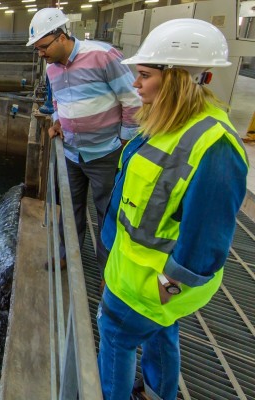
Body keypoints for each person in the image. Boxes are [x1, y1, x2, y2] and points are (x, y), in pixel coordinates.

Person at [98, 18, 249, 400]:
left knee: (115, 336)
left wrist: (166, 289)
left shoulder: (215, 147)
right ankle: (157, 392)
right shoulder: (166, 122)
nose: (135, 84)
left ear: (177, 79)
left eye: (145, 75)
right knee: (161, 331)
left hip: (151, 283)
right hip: (132, 268)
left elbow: (206, 242)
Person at [27, 8, 141, 282]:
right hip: (71, 152)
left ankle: (108, 272)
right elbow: (58, 103)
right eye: (38, 49)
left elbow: (132, 100)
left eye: (43, 47)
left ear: (61, 35)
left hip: (105, 152)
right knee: (70, 206)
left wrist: (123, 141)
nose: (41, 54)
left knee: (108, 212)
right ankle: (67, 253)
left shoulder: (103, 56)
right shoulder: (52, 69)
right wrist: (56, 122)